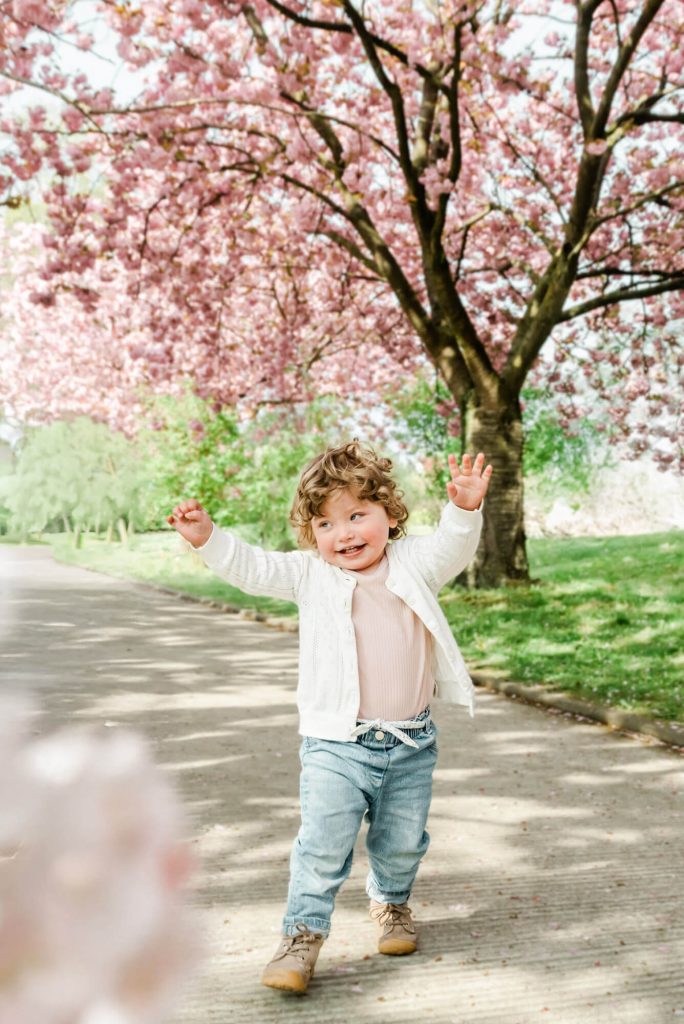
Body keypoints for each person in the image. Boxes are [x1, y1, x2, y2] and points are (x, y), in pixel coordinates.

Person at [167, 440, 492, 994]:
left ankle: (391, 903)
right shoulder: (309, 574)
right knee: (321, 845)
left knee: (402, 843)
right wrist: (208, 538)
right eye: (325, 524)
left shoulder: (414, 562)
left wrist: (463, 509)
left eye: (357, 515)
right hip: (335, 746)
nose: (343, 534)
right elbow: (253, 567)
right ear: (311, 533)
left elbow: (453, 548)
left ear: (391, 515)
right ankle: (301, 936)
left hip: (411, 744)